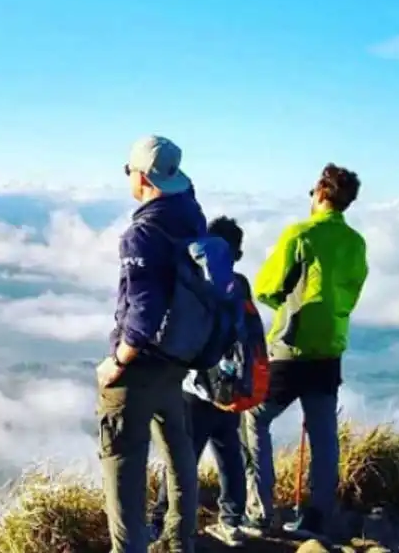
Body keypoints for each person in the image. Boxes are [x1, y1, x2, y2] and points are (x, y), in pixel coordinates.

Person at [241, 163, 369, 540]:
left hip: (291, 348)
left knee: (254, 418)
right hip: (330, 349)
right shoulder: (356, 243)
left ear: (319, 193)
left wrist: (284, 300)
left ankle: (259, 513)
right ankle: (316, 518)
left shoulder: (300, 234)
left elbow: (265, 287)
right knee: (324, 435)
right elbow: (352, 292)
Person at [96, 135, 206, 553]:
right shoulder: (192, 217)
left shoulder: (141, 233)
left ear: (141, 176)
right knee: (178, 451)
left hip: (139, 366)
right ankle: (181, 541)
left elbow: (143, 309)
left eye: (129, 171)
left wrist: (118, 362)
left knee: (122, 467)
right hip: (178, 358)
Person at [149, 216, 252, 548]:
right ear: (236, 253)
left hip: (196, 387)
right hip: (230, 386)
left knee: (181, 458)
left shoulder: (199, 284)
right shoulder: (241, 285)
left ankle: (163, 520)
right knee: (230, 453)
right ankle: (233, 519)